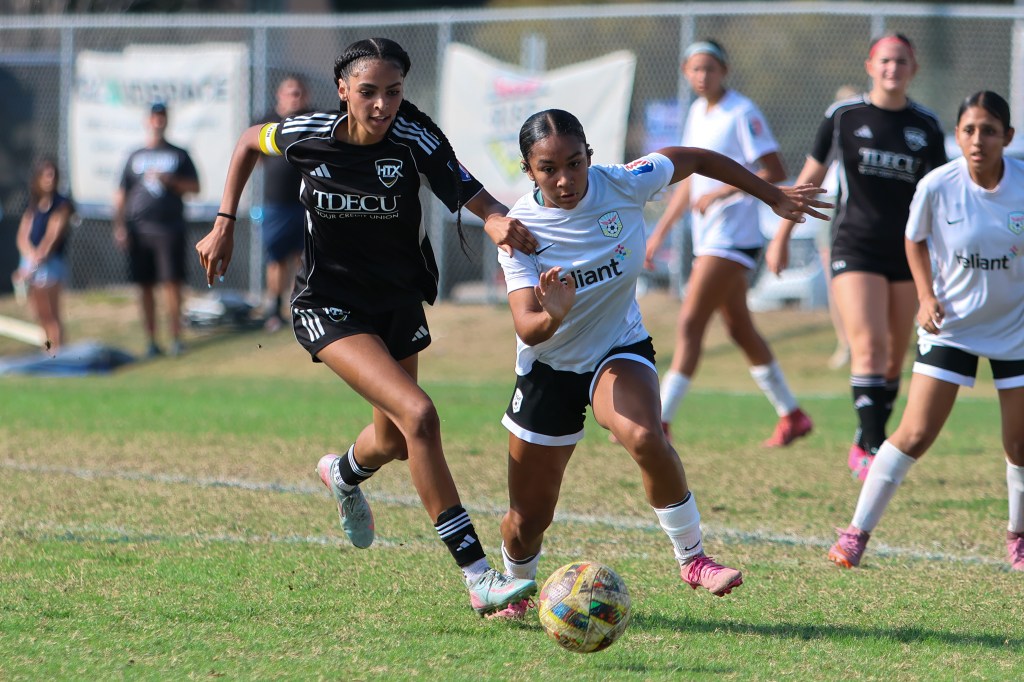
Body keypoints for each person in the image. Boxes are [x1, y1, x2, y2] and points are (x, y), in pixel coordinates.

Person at [195, 37, 541, 617]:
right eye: (369, 92)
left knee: (395, 440)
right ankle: (478, 577)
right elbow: (247, 142)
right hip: (328, 304)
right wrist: (225, 220)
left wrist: (496, 221)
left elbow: (459, 179)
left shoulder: (413, 135)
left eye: (394, 92)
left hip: (397, 302)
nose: (383, 106)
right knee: (420, 415)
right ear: (343, 91)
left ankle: (343, 472)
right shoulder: (307, 133)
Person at [490, 109, 830, 619]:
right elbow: (527, 326)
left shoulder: (624, 182)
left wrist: (772, 195)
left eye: (575, 163)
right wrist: (553, 315)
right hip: (550, 367)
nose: (565, 179)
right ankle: (515, 588)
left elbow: (695, 158)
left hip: (617, 348)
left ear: (590, 156)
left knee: (647, 435)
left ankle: (693, 558)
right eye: (548, 168)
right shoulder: (521, 231)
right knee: (528, 518)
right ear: (528, 168)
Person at [827, 91, 1024, 571]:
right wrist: (927, 296)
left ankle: (1018, 536)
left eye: (990, 131)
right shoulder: (938, 184)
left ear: (1008, 137)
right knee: (914, 433)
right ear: (956, 136)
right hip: (951, 326)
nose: (978, 140)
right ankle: (856, 533)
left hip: (1015, 329)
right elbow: (914, 240)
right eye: (969, 130)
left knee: (1019, 444)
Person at [766, 33, 947, 480]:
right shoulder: (844, 116)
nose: (893, 68)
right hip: (855, 246)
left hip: (906, 251)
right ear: (870, 65)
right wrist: (782, 234)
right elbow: (811, 175)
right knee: (867, 345)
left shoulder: (925, 126)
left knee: (892, 355)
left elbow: (944, 195)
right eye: (885, 60)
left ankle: (873, 437)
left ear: (913, 69)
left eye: (901, 61)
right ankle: (868, 449)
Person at [645, 39, 813, 448]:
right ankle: (792, 415)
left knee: (690, 323)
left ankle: (660, 421)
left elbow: (774, 169)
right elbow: (689, 183)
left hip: (735, 238)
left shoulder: (742, 111)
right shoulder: (697, 114)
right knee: (739, 329)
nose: (703, 76)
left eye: (710, 68)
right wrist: (661, 231)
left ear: (725, 70)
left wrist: (720, 194)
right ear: (686, 72)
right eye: (695, 69)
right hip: (710, 239)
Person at [113, 101, 201, 358]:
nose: (158, 121)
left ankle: (176, 337)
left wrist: (170, 180)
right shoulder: (134, 155)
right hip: (140, 230)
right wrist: (120, 226)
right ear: (147, 120)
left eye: (162, 116)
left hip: (169, 228)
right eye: (154, 116)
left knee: (172, 284)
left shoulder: (179, 155)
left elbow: (195, 188)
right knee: (145, 286)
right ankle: (151, 339)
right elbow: (121, 193)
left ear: (167, 120)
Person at [255, 75, 312, 333]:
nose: (294, 98)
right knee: (276, 258)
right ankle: (274, 308)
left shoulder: (311, 120)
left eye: (299, 93)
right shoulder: (266, 121)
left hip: (305, 203)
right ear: (279, 95)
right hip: (277, 204)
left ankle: (298, 308)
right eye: (290, 93)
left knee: (302, 258)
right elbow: (252, 155)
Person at [13, 158, 73, 353]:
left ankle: (57, 354)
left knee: (52, 313)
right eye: (46, 175)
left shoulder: (61, 204)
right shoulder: (34, 205)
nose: (50, 179)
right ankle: (46, 350)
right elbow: (23, 236)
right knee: (40, 315)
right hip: (33, 263)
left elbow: (53, 235)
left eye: (53, 175)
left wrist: (38, 257)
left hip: (50, 264)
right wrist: (29, 258)